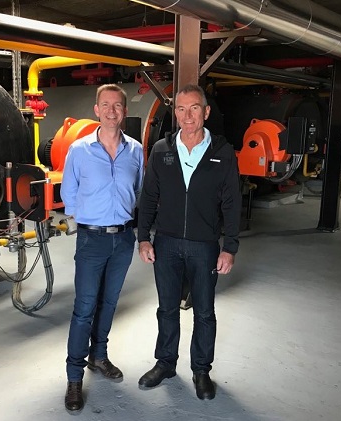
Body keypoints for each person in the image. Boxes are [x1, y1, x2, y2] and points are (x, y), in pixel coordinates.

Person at [137, 84, 241, 400]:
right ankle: (165, 363)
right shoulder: (161, 150)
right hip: (166, 243)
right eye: (181, 109)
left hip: (204, 245)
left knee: (204, 312)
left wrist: (230, 247)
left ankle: (201, 370)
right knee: (167, 308)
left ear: (206, 112)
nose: (187, 116)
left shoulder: (222, 153)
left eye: (194, 108)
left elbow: (232, 202)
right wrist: (143, 238)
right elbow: (149, 197)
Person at [60, 84, 144, 411]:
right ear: (96, 110)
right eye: (105, 105)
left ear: (125, 111)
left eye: (117, 106)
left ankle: (99, 356)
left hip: (123, 239)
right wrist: (88, 217)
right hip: (91, 239)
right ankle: (74, 377)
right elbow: (69, 193)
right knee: (84, 307)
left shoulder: (136, 151)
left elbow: (139, 190)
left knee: (109, 302)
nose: (111, 111)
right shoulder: (79, 150)